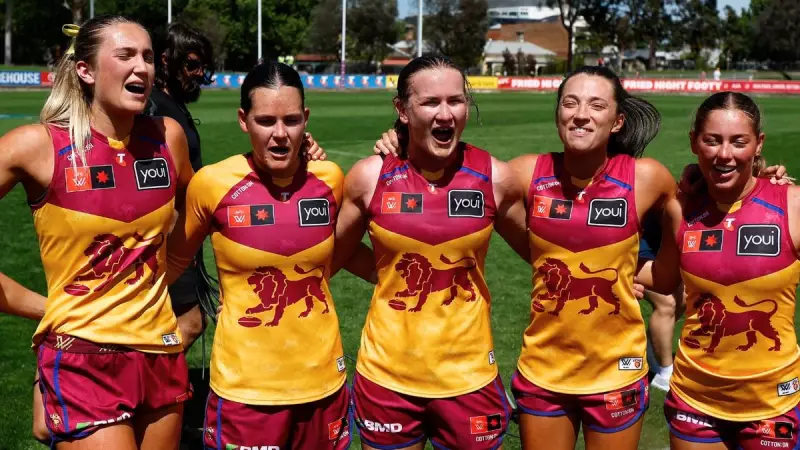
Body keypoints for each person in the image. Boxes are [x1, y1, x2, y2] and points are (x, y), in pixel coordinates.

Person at [0, 16, 193, 448]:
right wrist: (46, 311)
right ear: (85, 70)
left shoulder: (168, 137)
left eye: (147, 57)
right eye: (125, 55)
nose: (142, 67)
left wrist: (301, 157)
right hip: (83, 358)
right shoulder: (37, 146)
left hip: (160, 350)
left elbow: (204, 207)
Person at [335, 54, 529, 450]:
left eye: (455, 101)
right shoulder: (370, 177)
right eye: (430, 102)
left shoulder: (496, 178)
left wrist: (624, 274)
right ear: (402, 110)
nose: (446, 114)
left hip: (469, 376)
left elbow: (544, 252)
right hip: (386, 376)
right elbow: (328, 255)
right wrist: (385, 272)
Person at [166, 60, 355, 450]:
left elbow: (349, 257)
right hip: (244, 390)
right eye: (266, 121)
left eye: (291, 120)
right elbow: (170, 264)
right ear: (243, 120)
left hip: (323, 384)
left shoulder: (331, 179)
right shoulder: (212, 184)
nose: (280, 135)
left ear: (306, 119)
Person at [639, 92, 800, 450]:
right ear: (694, 141)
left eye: (738, 142)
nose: (724, 154)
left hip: (773, 403)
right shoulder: (680, 210)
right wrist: (610, 267)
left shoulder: (792, 204)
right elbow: (663, 279)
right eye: (712, 140)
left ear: (758, 145)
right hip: (694, 399)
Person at [146, 22, 215, 349]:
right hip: (168, 236)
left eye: (202, 65)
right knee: (188, 321)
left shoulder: (171, 103)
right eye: (191, 64)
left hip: (184, 233)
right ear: (165, 61)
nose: (199, 73)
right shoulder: (154, 107)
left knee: (181, 320)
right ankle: (147, 392)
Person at [638, 211, 685, 392]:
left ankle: (653, 347)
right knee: (667, 303)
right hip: (636, 248)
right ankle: (665, 374)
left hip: (659, 248)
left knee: (684, 297)